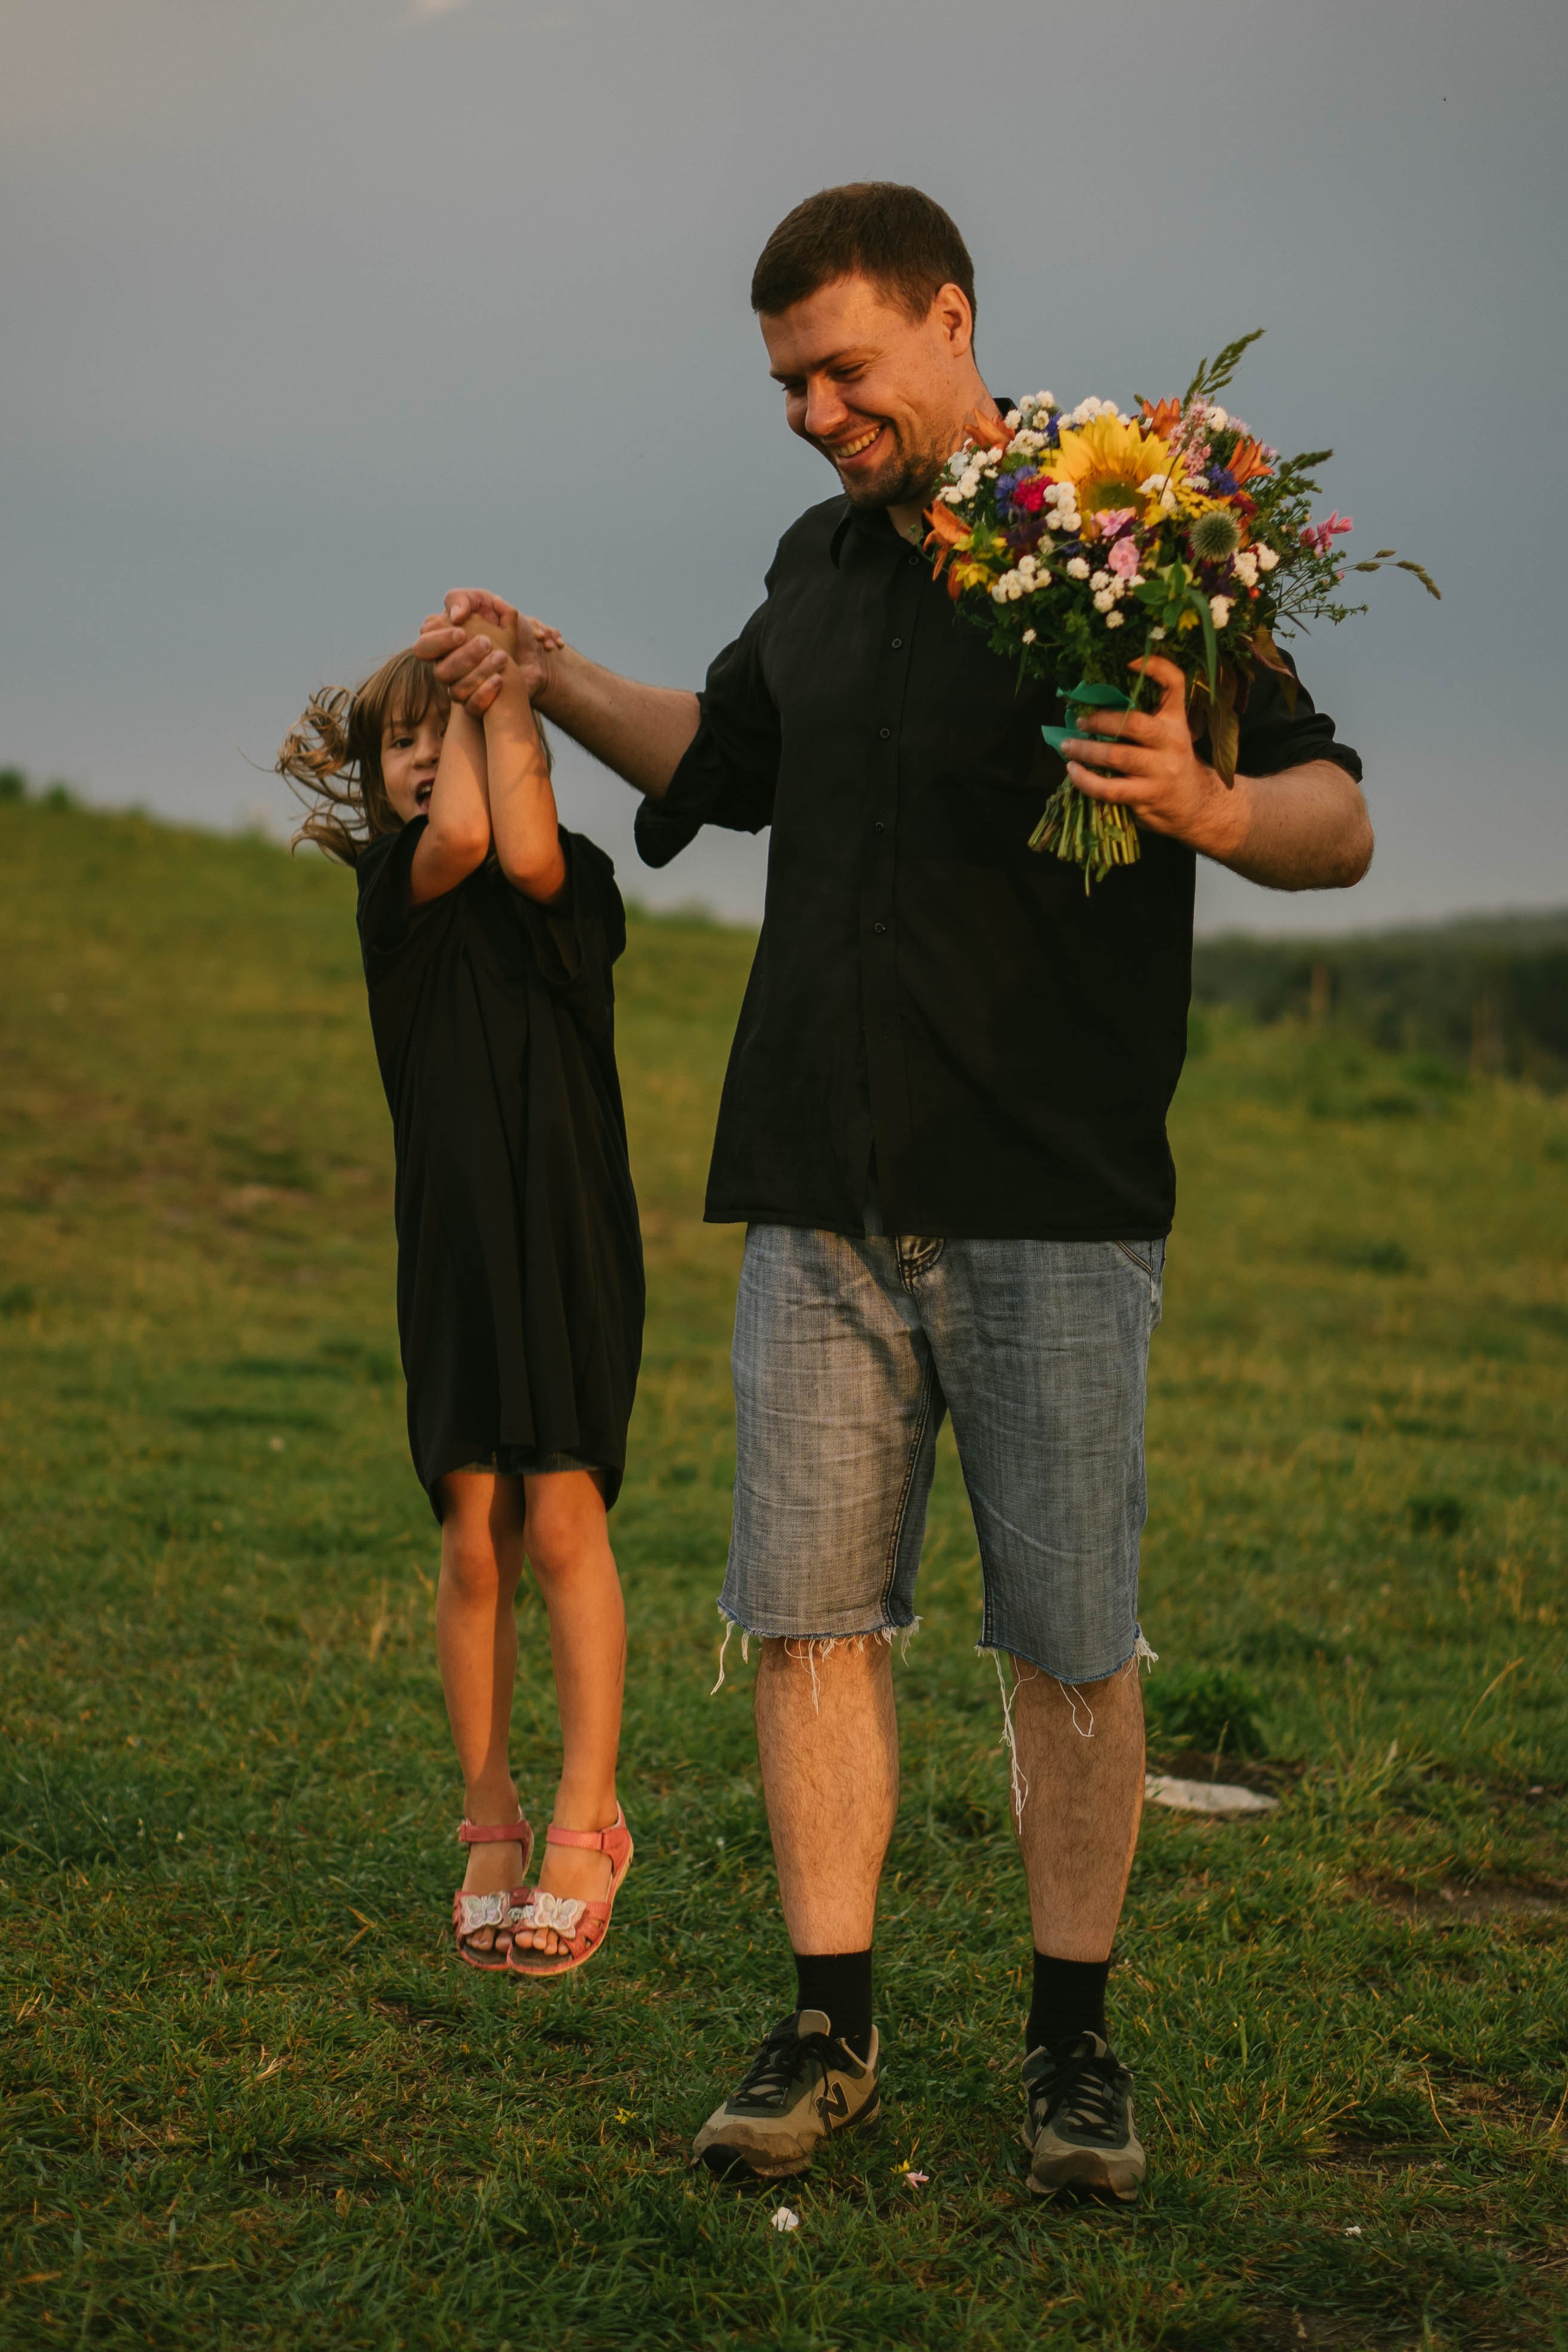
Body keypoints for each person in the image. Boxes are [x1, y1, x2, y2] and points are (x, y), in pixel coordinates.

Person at [417, 182, 1372, 2193]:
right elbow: (720, 756)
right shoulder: (821, 561)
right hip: (820, 1185)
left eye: (843, 368)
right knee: (805, 1623)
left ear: (953, 320)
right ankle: (827, 2027)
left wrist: (1208, 802)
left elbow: (1336, 818)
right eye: (787, 383)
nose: (813, 411)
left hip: (1053, 1188)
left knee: (1071, 1645)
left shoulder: (1137, 541)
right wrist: (553, 673)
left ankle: (1073, 2050)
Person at [276, 631, 642, 1979]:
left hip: (568, 1238)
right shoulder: (397, 887)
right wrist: (484, 701)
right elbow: (468, 838)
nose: (430, 756)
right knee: (475, 1541)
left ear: (512, 744)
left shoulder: (574, 881)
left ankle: (588, 1818)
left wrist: (509, 705)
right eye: (405, 741)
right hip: (452, 1252)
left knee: (562, 1525)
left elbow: (517, 841)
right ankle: (489, 1814)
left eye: (456, 729)